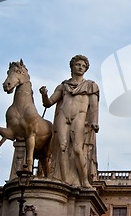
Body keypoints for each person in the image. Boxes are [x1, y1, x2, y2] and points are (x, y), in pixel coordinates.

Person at [40, 55, 99, 188]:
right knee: (61, 147)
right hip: (63, 115)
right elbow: (49, 103)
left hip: (79, 116)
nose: (80, 68)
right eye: (78, 64)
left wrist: (94, 121)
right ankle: (64, 181)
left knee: (78, 149)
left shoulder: (90, 86)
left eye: (83, 66)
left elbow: (94, 106)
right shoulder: (63, 86)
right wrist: (44, 95)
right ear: (72, 66)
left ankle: (84, 180)